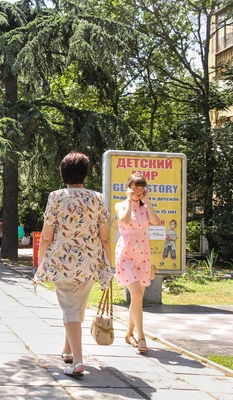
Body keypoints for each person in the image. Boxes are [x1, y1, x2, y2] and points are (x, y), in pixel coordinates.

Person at [34, 151, 113, 378]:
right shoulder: (97, 198)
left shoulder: (56, 197)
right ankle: (68, 350)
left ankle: (78, 361)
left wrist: (41, 259)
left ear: (63, 173)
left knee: (70, 309)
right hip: (90, 261)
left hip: (63, 262)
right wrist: (108, 263)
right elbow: (105, 236)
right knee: (77, 308)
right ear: (86, 174)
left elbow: (47, 235)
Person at [114, 173, 160, 355]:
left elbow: (155, 221)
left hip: (143, 252)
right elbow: (124, 220)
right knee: (136, 295)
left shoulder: (145, 207)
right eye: (135, 187)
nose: (138, 191)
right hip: (126, 252)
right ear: (129, 187)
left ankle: (130, 332)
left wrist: (147, 202)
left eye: (141, 188)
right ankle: (141, 337)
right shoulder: (121, 205)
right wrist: (128, 200)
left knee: (138, 297)